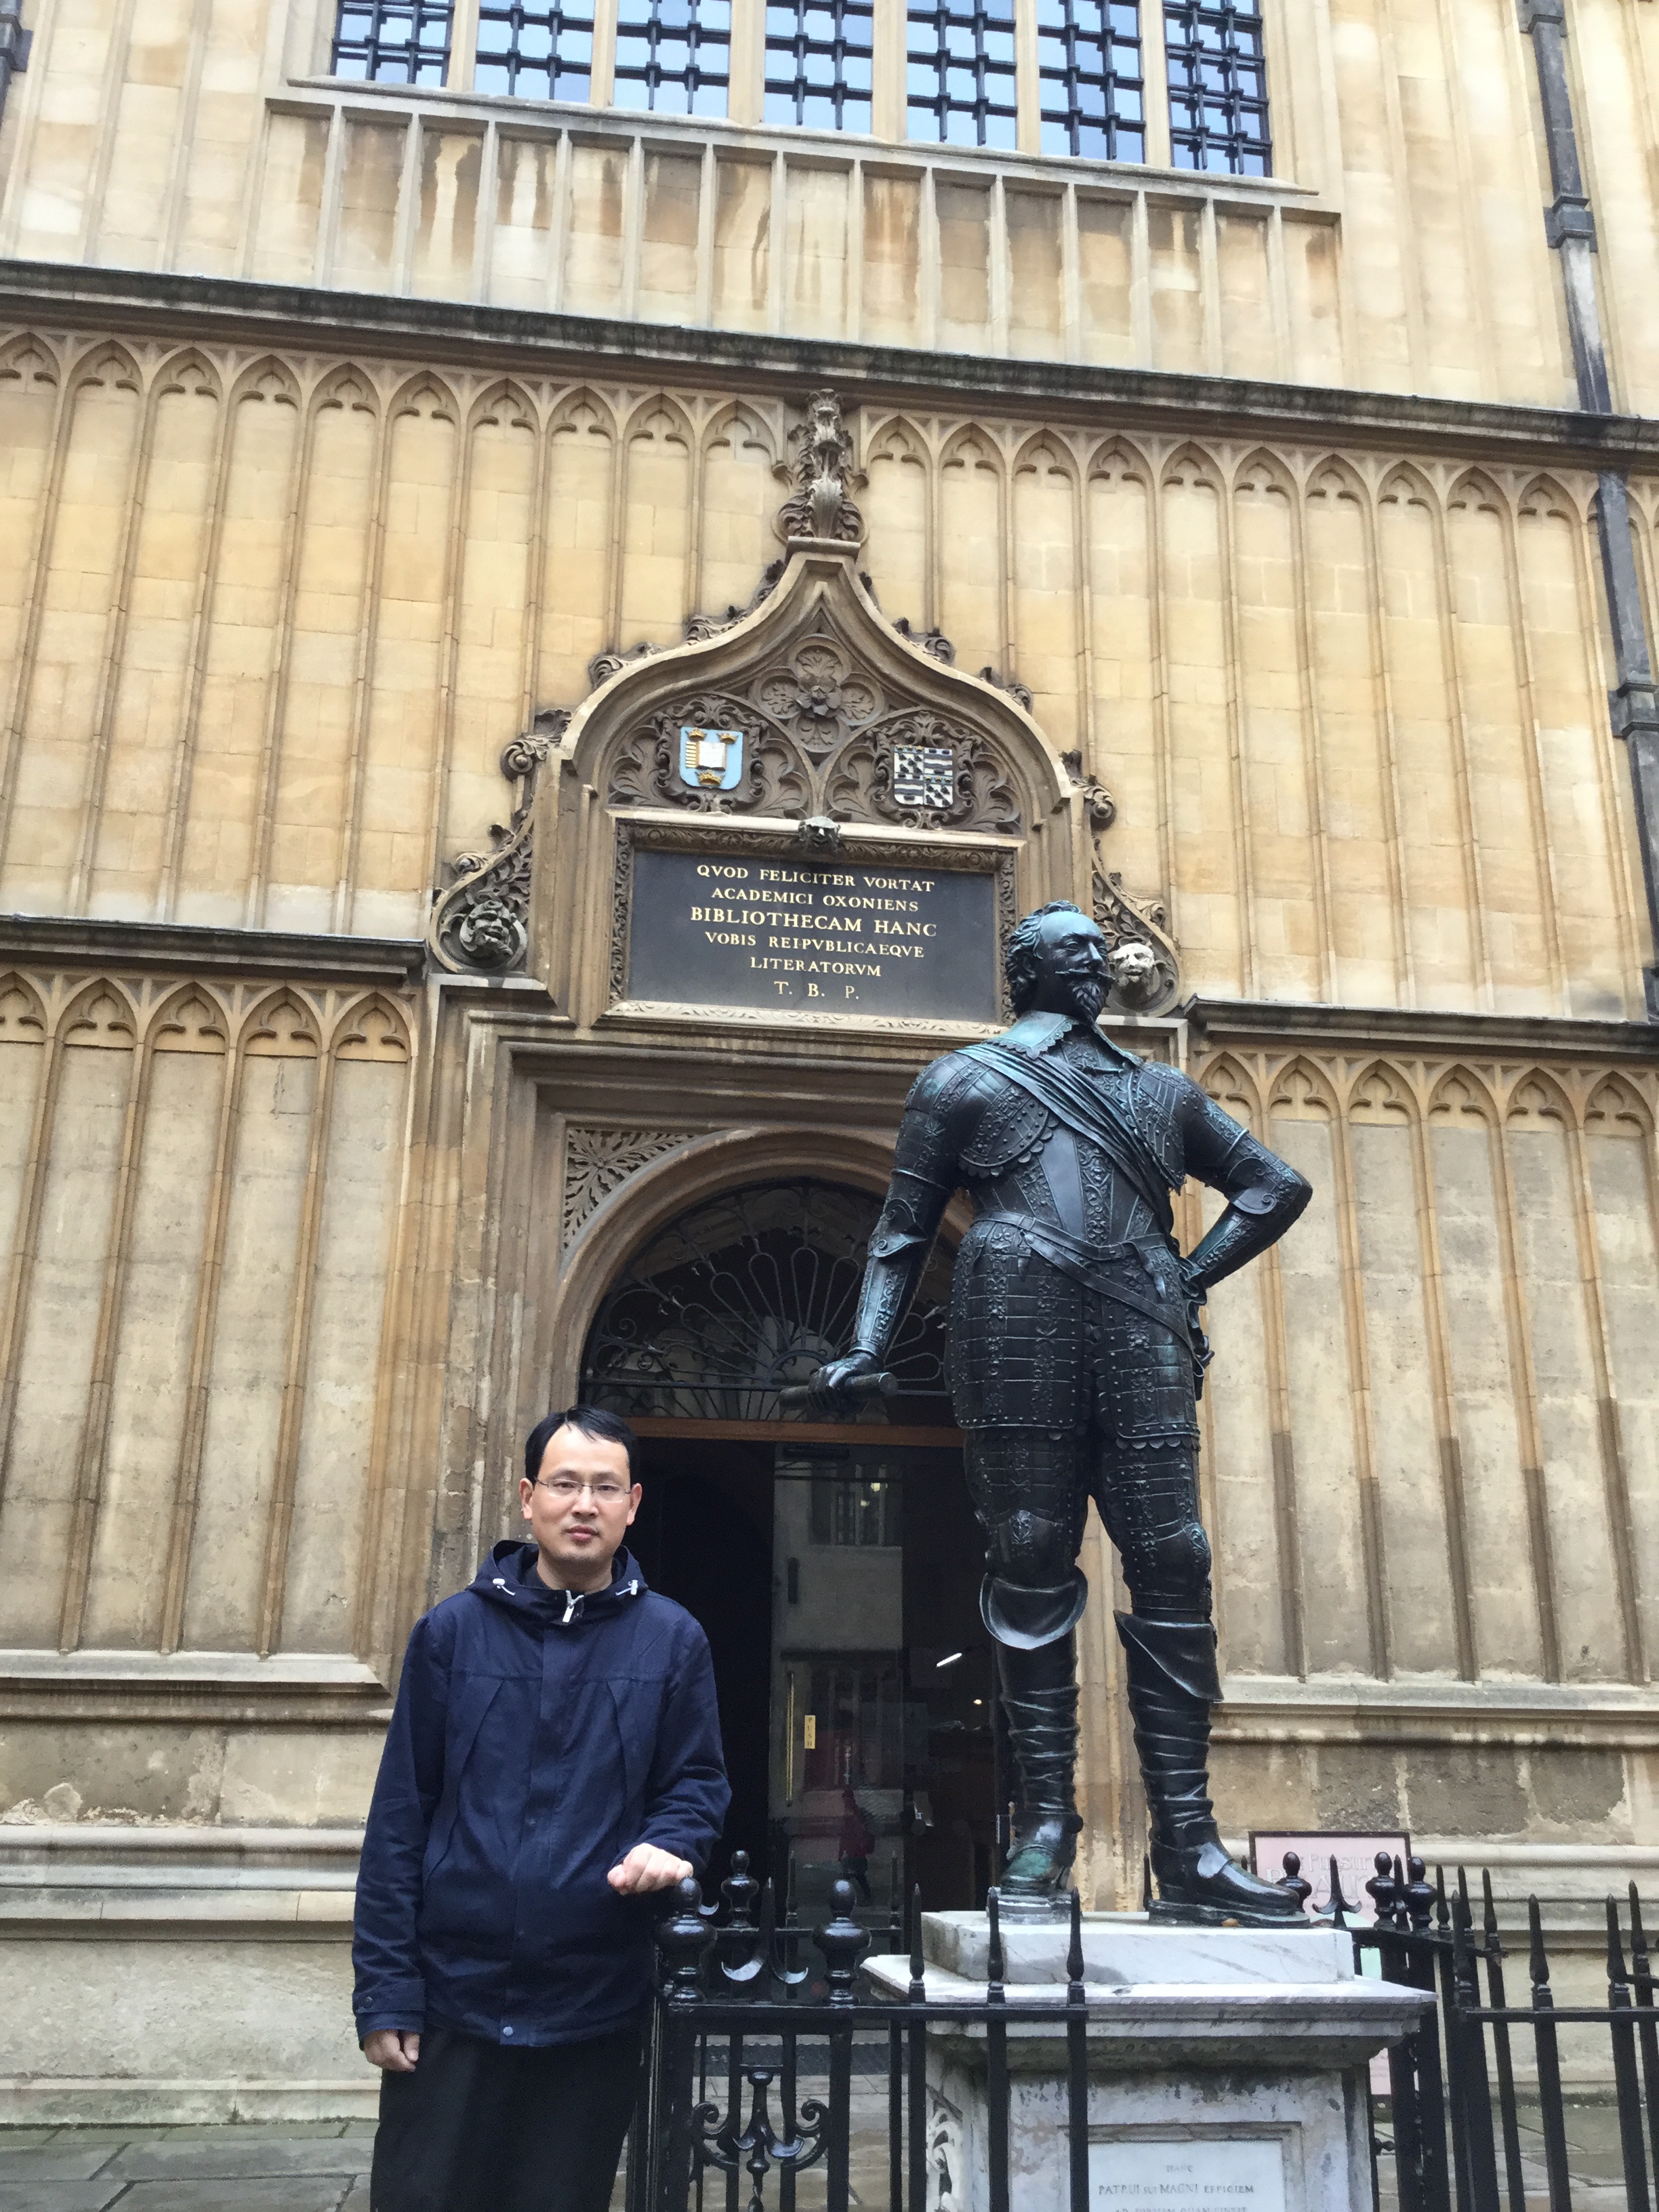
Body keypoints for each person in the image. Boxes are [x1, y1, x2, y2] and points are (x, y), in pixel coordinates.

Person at [808, 901, 1311, 1925]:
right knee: (1031, 1546)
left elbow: (1274, 1185)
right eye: (1070, 951)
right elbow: (902, 1232)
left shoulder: (1160, 1090)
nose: (1093, 964)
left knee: (1173, 1552)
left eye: (1096, 951)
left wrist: (1189, 1276)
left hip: (1139, 1317)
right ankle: (1044, 1825)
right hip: (1012, 1311)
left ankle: (1189, 1841)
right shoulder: (964, 1080)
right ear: (1024, 969)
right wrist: (866, 1344)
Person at [352, 1405, 730, 2212]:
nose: (584, 1504)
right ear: (528, 1498)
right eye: (564, 1484)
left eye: (605, 1487)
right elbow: (400, 1820)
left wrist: (671, 1841)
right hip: (453, 2001)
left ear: (633, 1505)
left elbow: (696, 1784)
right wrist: (386, 1991)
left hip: (592, 2006)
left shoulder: (673, 1641)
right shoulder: (451, 1634)